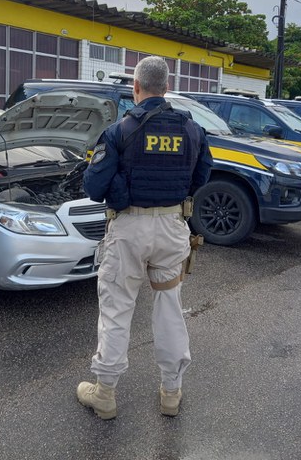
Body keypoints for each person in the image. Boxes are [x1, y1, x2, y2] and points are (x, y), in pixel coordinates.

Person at [76, 55, 213, 420]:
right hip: (172, 228)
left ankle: (105, 394)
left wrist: (122, 188)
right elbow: (202, 177)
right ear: (167, 88)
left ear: (135, 87)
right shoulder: (192, 129)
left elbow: (93, 187)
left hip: (129, 230)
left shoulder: (119, 131)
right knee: (169, 309)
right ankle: (171, 392)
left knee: (117, 308)